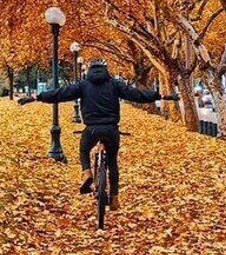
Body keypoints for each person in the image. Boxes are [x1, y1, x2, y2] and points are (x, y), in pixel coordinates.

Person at [19, 58, 178, 211]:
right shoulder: (114, 84)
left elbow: (60, 93)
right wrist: (161, 96)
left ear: (89, 71)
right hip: (111, 129)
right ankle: (114, 198)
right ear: (105, 70)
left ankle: (87, 172)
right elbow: (136, 94)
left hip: (91, 129)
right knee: (112, 162)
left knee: (83, 150)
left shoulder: (83, 85)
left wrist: (36, 97)